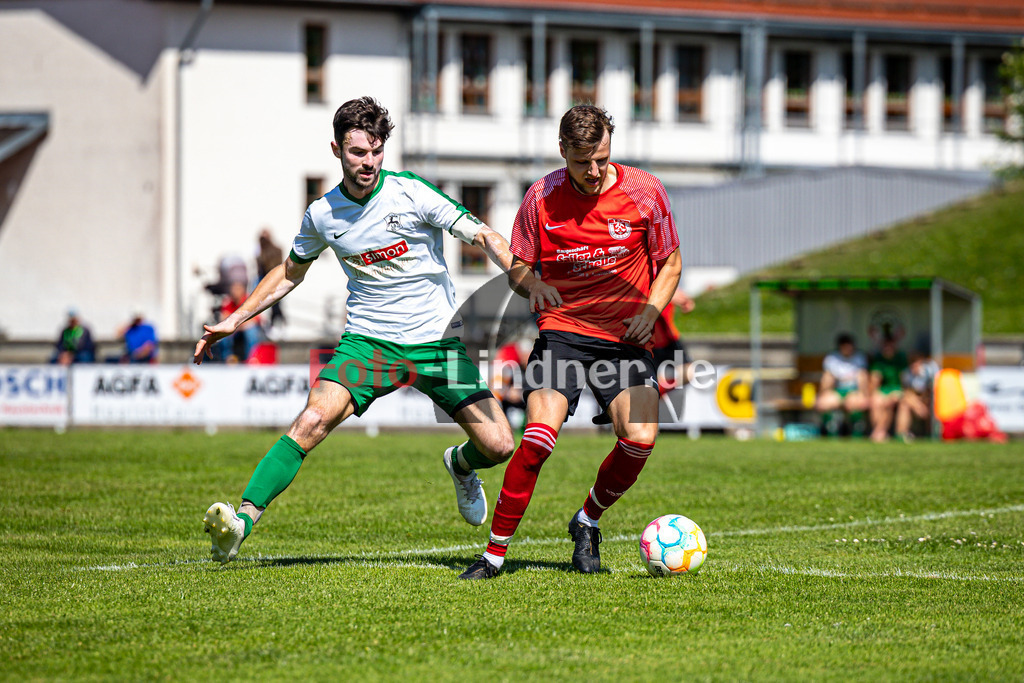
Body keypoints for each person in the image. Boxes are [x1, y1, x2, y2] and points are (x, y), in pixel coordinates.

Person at [196, 96, 517, 564]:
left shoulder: (412, 192)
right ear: (336, 150)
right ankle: (241, 522)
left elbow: (484, 234)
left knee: (499, 444)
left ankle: (460, 463)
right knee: (311, 420)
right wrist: (235, 319)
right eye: (357, 153)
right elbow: (290, 271)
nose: (368, 163)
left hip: (436, 343)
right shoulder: (323, 214)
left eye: (375, 151)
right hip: (370, 344)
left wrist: (517, 272)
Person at [459, 105, 682, 579]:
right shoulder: (541, 196)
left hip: (625, 339)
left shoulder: (645, 192)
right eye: (583, 162)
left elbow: (671, 263)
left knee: (640, 437)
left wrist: (650, 310)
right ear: (563, 152)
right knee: (538, 440)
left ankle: (587, 520)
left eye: (602, 158)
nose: (595, 171)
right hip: (562, 333)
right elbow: (519, 263)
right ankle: (494, 555)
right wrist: (532, 285)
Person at [815, 332, 870, 436]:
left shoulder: (859, 357)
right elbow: (827, 379)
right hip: (837, 390)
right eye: (844, 345)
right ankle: (831, 433)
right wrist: (821, 396)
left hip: (854, 390)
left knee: (855, 402)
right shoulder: (832, 358)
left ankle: (856, 434)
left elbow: (863, 378)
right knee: (826, 402)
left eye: (849, 345)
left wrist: (865, 396)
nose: (847, 347)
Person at [651, 288, 695, 394]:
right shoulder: (643, 283)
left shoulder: (668, 280)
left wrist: (686, 302)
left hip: (670, 339)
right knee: (648, 384)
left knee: (688, 374)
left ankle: (661, 390)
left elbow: (685, 301)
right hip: (649, 343)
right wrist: (665, 293)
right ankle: (657, 391)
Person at [868, 334, 909, 442]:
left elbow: (904, 381)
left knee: (896, 403)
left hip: (898, 389)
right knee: (875, 401)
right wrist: (872, 394)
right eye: (886, 346)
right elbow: (875, 380)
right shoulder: (879, 360)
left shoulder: (901, 358)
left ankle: (900, 433)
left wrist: (902, 393)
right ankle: (880, 432)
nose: (888, 348)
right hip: (884, 390)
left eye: (890, 346)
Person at [895, 348, 938, 441]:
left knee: (931, 403)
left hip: (930, 401)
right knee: (904, 403)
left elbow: (932, 390)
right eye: (912, 363)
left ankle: (932, 433)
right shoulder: (907, 374)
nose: (914, 365)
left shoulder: (930, 371)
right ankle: (901, 434)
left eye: (917, 362)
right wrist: (918, 406)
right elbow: (906, 392)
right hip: (916, 404)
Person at [255, 228, 287, 332]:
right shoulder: (261, 252)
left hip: (274, 281)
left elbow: (274, 266)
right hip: (264, 280)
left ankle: (278, 323)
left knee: (275, 304)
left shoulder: (275, 250)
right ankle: (270, 324)